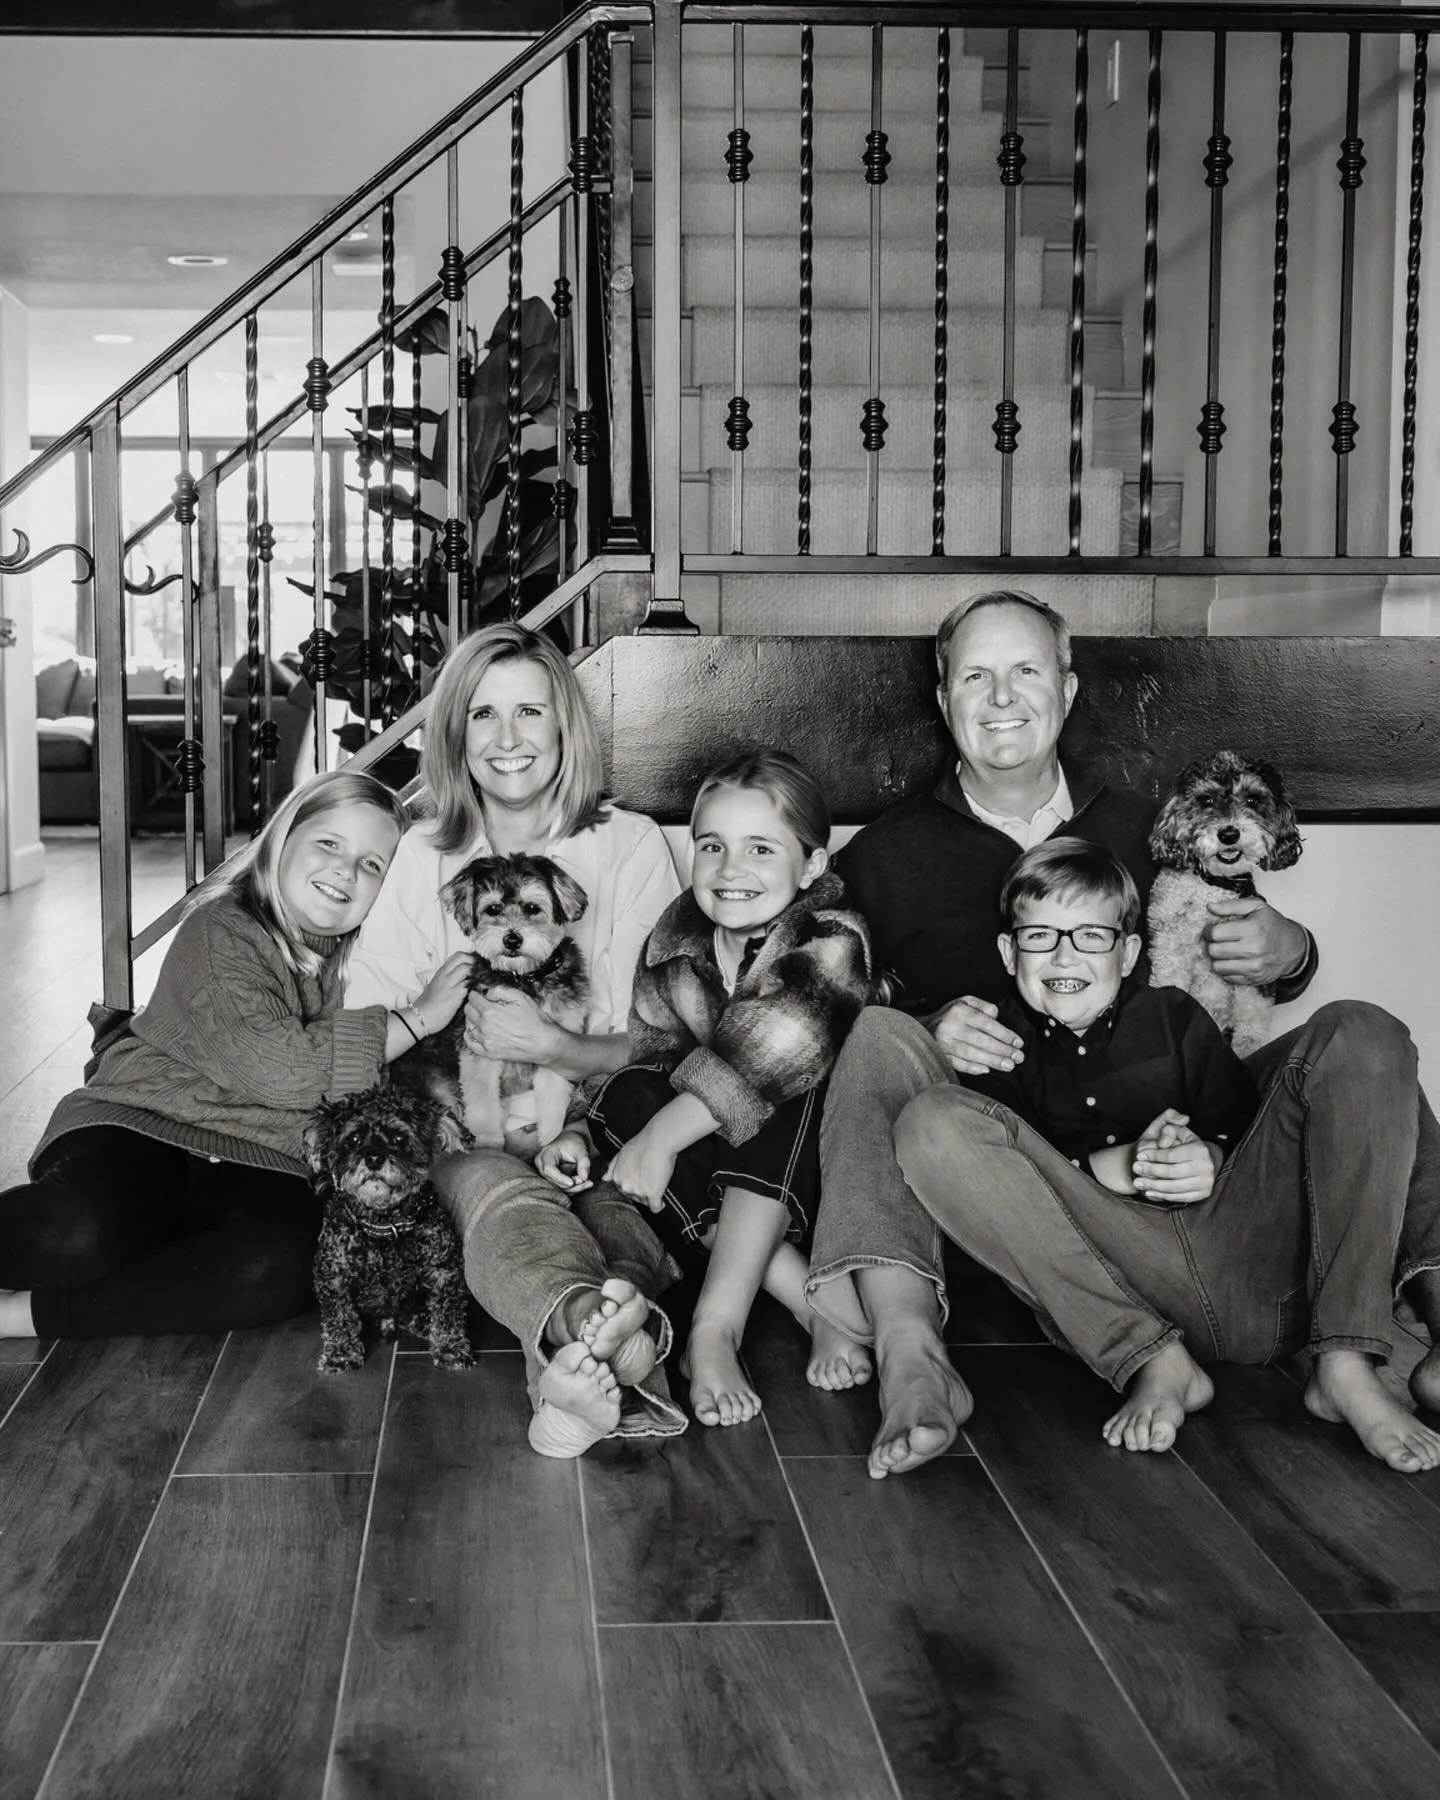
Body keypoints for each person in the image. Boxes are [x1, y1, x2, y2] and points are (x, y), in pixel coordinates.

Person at [805, 588, 1440, 1478]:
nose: (1001, 697)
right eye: (975, 676)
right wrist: (924, 1026)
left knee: (1364, 1038)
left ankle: (1363, 1349)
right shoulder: (879, 856)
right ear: (943, 696)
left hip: (1209, 1172)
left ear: (1066, 690)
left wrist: (1290, 949)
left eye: (1025, 671)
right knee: (878, 1039)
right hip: (1044, 1200)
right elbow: (813, 1024)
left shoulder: (1153, 826)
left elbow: (1246, 978)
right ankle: (914, 1351)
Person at [894, 838, 1440, 1471]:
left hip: (1252, 1257)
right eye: (1040, 937)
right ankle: (1154, 1361)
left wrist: (1206, 1152)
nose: (1065, 954)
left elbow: (1246, 1126)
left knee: (1363, 1027)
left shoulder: (1173, 1015)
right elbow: (1004, 1199)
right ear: (1008, 951)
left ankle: (1345, 1363)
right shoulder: (991, 1042)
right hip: (1119, 1281)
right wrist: (1119, 1167)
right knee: (931, 1119)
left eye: (1091, 936)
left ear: (1128, 955)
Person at [346, 623, 687, 1458]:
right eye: (482, 715)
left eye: (529, 711)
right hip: (463, 1117)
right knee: (501, 1190)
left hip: (601, 1108)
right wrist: (434, 1019)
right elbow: (365, 1021)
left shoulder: (629, 846)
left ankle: (575, 1371)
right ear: (454, 734)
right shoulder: (426, 852)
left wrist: (558, 1059)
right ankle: (605, 1343)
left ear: (565, 724)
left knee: (614, 1201)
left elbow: (669, 1038)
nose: (506, 740)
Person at [0, 768, 472, 1340]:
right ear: (280, 840)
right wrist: (417, 1019)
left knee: (277, 1270)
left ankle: (24, 1316)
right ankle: (113, 1239)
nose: (346, 870)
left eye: (373, 864)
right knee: (76, 1233)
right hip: (144, 1123)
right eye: (329, 843)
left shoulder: (372, 960)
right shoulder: (222, 926)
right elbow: (279, 1070)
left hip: (264, 1158)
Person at [582, 749, 879, 1427]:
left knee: (786, 1080)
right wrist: (607, 1128)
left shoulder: (834, 935)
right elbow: (655, 1052)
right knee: (624, 1092)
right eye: (711, 845)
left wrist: (661, 1138)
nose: (730, 869)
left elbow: (782, 1042)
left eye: (760, 849)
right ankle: (809, 1298)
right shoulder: (675, 934)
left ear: (810, 867)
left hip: (805, 1167)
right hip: (706, 1183)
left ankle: (715, 1327)